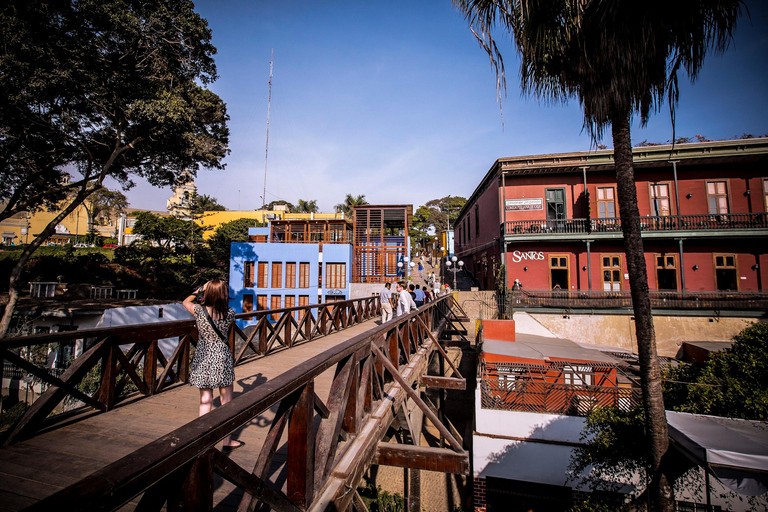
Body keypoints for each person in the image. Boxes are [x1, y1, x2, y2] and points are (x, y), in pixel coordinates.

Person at [183, 279, 243, 452]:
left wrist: (200, 289)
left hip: (203, 356)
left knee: (205, 401)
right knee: (227, 402)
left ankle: (203, 439)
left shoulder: (199, 311)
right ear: (223, 294)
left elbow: (186, 301)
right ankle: (227, 441)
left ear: (208, 293)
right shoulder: (229, 313)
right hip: (221, 356)